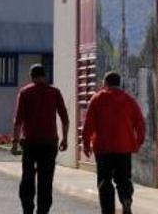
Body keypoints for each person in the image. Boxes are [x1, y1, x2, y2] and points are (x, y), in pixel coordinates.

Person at [82, 71, 146, 214]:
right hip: (124, 147)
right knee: (123, 179)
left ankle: (108, 210)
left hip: (103, 148)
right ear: (119, 83)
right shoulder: (129, 100)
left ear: (105, 83)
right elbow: (140, 123)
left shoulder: (97, 99)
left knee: (105, 180)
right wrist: (138, 142)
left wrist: (85, 143)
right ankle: (126, 198)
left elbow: (88, 124)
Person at [12, 64, 69, 214]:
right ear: (45, 75)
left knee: (28, 177)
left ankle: (27, 209)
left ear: (31, 76)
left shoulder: (25, 92)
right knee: (46, 179)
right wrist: (65, 139)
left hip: (30, 142)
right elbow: (65, 118)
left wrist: (15, 142)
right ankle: (43, 210)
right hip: (49, 143)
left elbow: (18, 120)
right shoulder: (54, 92)